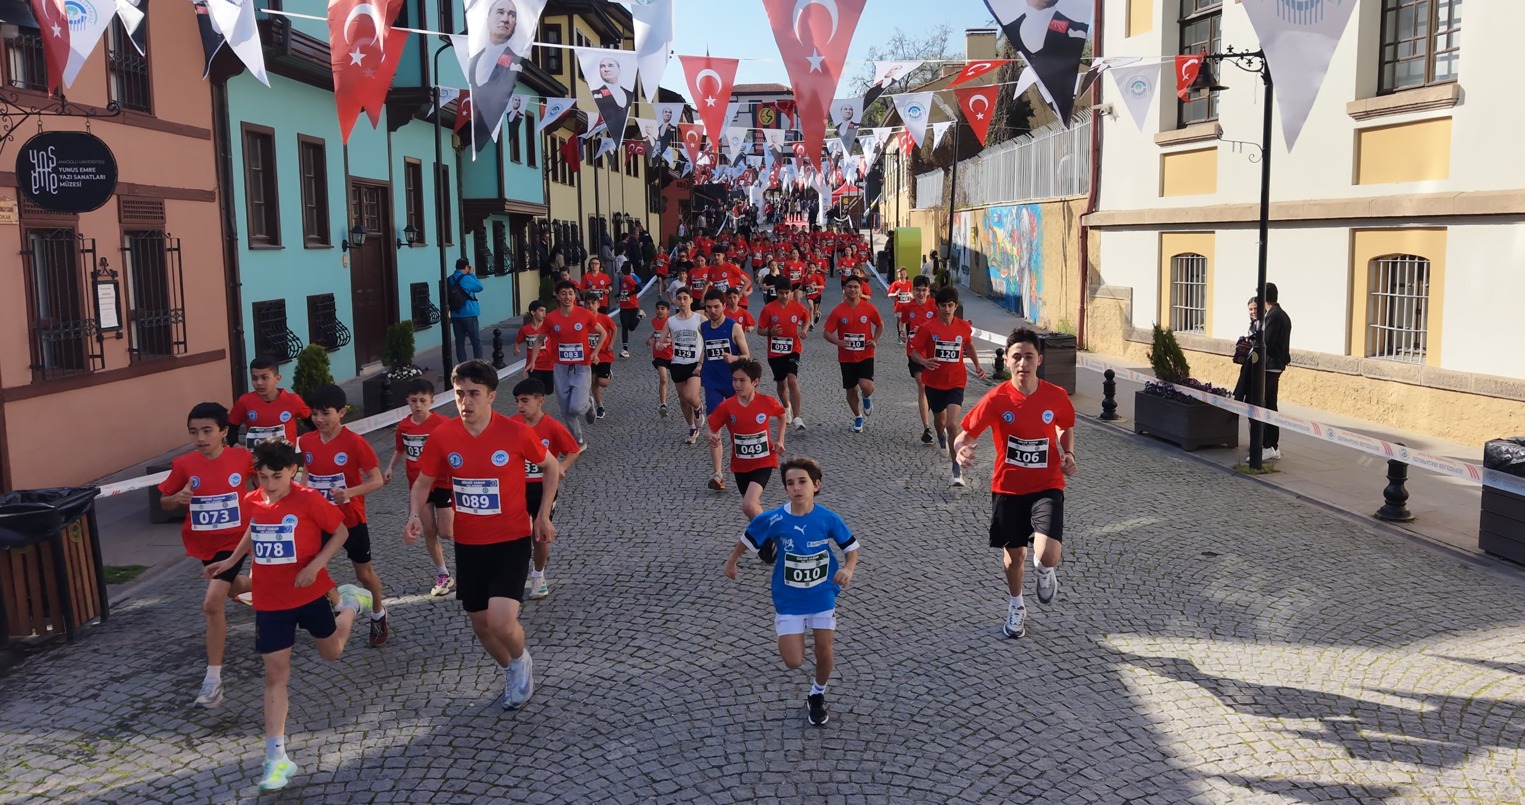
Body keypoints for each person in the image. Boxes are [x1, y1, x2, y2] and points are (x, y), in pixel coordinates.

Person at [204, 439, 371, 792]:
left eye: (276, 477)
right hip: (270, 601)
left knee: (332, 652)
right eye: (262, 477)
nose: (269, 484)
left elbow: (340, 531)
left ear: (293, 471)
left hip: (309, 593)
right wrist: (231, 561)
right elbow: (253, 529)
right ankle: (276, 758)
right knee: (275, 674)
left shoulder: (309, 499)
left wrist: (316, 565)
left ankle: (351, 604)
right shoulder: (252, 501)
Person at [406, 360, 559, 711]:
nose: (466, 402)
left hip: (511, 540)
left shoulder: (515, 433)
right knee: (481, 625)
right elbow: (422, 483)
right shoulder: (443, 436)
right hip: (469, 544)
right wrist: (414, 514)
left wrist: (542, 515)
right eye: (460, 394)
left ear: (491, 396)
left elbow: (551, 467)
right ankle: (510, 669)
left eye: (474, 393)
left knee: (502, 622)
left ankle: (520, 660)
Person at [953, 327, 1077, 640]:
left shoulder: (1056, 396)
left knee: (1048, 554)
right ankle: (1016, 605)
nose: (1023, 363)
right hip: (1008, 487)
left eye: (1029, 357)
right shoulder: (996, 399)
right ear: (1007, 360)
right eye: (1017, 357)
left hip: (1047, 483)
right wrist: (960, 451)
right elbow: (963, 436)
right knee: (1015, 556)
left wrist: (1068, 453)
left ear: (1040, 360)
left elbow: (1064, 426)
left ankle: (1045, 570)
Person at [723, 456, 859, 727]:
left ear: (816, 485)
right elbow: (748, 537)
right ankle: (792, 634)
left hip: (822, 594)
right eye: (790, 483)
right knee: (793, 661)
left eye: (802, 482)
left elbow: (851, 548)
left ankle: (817, 695)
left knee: (824, 650)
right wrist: (732, 562)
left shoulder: (828, 518)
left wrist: (848, 569)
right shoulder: (775, 518)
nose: (796, 488)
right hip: (789, 599)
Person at [157, 402, 254, 709]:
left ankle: (213, 683)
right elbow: (164, 501)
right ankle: (262, 584)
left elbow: (269, 478)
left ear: (224, 431)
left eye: (207, 431)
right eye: (194, 432)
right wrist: (177, 497)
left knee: (212, 603)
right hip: (204, 544)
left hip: (236, 541)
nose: (200, 438)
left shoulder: (242, 458)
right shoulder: (184, 464)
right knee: (232, 588)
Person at [298, 384, 390, 646]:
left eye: (325, 413)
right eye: (314, 413)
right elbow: (308, 471)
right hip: (318, 520)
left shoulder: (355, 442)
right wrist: (302, 495)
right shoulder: (306, 441)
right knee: (313, 567)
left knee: (364, 573)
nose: (319, 419)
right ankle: (340, 605)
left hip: (350, 519)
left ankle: (378, 612)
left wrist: (349, 492)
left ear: (342, 412)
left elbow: (376, 480)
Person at [382, 378, 456, 598]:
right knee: (429, 530)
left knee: (447, 532)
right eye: (414, 400)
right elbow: (399, 449)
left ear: (432, 401)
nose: (418, 405)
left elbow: (456, 449)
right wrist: (390, 467)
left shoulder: (442, 424)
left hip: (442, 482)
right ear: (407, 401)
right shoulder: (404, 426)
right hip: (418, 485)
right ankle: (443, 574)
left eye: (423, 400)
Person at [510, 379, 580, 601]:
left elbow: (574, 450)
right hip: (516, 488)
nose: (520, 406)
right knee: (518, 534)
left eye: (525, 401)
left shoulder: (552, 427)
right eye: (517, 401)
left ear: (540, 400)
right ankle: (514, 576)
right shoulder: (512, 424)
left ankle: (538, 575)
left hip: (543, 488)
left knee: (539, 536)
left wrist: (561, 467)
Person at [911, 286, 987, 484]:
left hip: (956, 381)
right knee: (940, 422)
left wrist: (978, 366)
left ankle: (956, 469)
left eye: (950, 305)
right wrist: (924, 361)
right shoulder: (928, 328)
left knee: (952, 424)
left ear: (955, 306)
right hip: (934, 382)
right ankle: (939, 435)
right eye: (943, 305)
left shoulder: (963, 326)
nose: (946, 309)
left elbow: (969, 345)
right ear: (937, 306)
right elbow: (914, 353)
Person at [530, 280, 607, 446]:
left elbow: (603, 333)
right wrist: (532, 362)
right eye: (563, 293)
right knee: (566, 410)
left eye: (570, 293)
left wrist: (595, 352)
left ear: (575, 295)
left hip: (582, 367)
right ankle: (578, 440)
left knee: (576, 408)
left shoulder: (585, 314)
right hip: (561, 369)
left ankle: (589, 403)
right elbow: (539, 340)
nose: (567, 297)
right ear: (557, 296)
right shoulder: (551, 318)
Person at [707, 359, 787, 519]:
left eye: (742, 380)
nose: (737, 385)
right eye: (734, 380)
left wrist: (780, 440)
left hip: (764, 461)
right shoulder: (727, 406)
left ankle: (770, 532)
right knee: (751, 508)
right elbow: (712, 427)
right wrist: (711, 435)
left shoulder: (766, 402)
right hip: (740, 465)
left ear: (755, 382)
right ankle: (762, 535)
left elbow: (782, 415)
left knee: (748, 504)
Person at [699, 289, 751, 488]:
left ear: (724, 306)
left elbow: (747, 355)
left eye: (716, 307)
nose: (712, 311)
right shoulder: (703, 328)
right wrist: (699, 365)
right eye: (709, 307)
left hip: (733, 384)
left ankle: (748, 465)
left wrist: (734, 358)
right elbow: (705, 348)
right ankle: (718, 474)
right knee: (714, 429)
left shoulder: (733, 327)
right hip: (712, 383)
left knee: (739, 428)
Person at [822, 276, 883, 433]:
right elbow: (826, 333)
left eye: (856, 287)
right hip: (846, 357)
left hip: (866, 354)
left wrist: (875, 340)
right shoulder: (838, 310)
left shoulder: (869, 308)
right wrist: (839, 342)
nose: (853, 290)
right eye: (849, 287)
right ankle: (858, 416)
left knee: (866, 386)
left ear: (861, 289)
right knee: (850, 391)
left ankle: (866, 397)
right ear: (844, 289)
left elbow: (880, 325)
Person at [467, 0, 528, 149]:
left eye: (511, 15)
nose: (505, 19)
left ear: (515, 23)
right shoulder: (473, 56)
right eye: (500, 12)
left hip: (483, 128)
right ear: (488, 20)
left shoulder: (516, 59)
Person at [760, 274, 810, 430]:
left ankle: (797, 418)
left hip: (793, 348)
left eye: (787, 293)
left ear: (791, 292)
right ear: (776, 292)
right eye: (781, 293)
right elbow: (760, 330)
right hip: (775, 352)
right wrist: (770, 332)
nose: (784, 296)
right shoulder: (768, 309)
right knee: (781, 384)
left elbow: (807, 318)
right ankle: (786, 406)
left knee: (792, 380)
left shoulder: (797, 307)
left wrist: (804, 330)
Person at [229, 357, 310, 448]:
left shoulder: (293, 400)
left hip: (286, 456)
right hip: (255, 455)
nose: (259, 383)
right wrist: (236, 445)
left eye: (264, 378)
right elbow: (231, 428)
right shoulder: (244, 401)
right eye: (254, 378)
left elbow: (312, 422)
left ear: (277, 378)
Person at [660, 287, 705, 444]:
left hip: (695, 363)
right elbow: (662, 339)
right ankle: (692, 427)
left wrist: (702, 361)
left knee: (690, 395)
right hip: (677, 363)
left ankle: (698, 408)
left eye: (685, 298)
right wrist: (660, 344)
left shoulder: (700, 319)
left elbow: (710, 337)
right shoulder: (671, 321)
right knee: (682, 399)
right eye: (679, 298)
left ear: (691, 300)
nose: (682, 301)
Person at [899, 275, 938, 444]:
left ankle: (934, 415)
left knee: (933, 388)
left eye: (924, 290)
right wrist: (902, 331)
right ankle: (927, 428)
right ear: (913, 291)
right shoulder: (908, 307)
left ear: (928, 291)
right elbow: (902, 322)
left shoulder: (934, 306)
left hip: (932, 352)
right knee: (922, 385)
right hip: (914, 352)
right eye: (918, 290)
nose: (921, 293)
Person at [1257, 282, 1292, 462]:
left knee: (1263, 404)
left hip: (1271, 365)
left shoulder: (1274, 315)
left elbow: (1267, 342)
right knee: (1270, 404)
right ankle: (1273, 446)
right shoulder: (1280, 314)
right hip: (1275, 365)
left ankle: (1268, 445)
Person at [585, 292, 618, 420]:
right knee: (593, 382)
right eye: (588, 303)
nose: (590, 306)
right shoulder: (583, 320)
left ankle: (608, 374)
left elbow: (614, 329)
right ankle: (600, 407)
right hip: (590, 356)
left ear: (598, 305)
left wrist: (611, 343)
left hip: (604, 354)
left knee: (602, 382)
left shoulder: (604, 318)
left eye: (593, 303)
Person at [449, 257, 486, 363]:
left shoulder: (450, 279)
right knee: (475, 341)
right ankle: (479, 363)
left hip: (456, 314)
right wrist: (472, 274)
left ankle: (462, 364)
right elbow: (479, 287)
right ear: (466, 267)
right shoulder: (467, 278)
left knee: (459, 342)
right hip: (469, 313)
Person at [515, 300, 556, 394]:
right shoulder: (525, 329)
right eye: (541, 310)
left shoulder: (549, 328)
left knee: (548, 390)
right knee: (536, 390)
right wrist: (516, 347)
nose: (544, 313)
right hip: (533, 365)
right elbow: (518, 340)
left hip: (548, 365)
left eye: (545, 311)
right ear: (533, 312)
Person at [646, 299, 675, 418]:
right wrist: (651, 338)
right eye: (658, 308)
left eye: (662, 309)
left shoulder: (672, 322)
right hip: (659, 354)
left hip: (672, 355)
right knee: (663, 379)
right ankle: (663, 404)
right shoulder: (654, 321)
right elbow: (657, 332)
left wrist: (668, 342)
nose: (660, 311)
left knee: (679, 381)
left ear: (668, 311)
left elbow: (676, 337)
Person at [1231, 296, 1261, 404]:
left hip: (1255, 364)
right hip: (1248, 362)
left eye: (1255, 308)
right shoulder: (1253, 324)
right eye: (1250, 309)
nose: (1253, 312)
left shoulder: (1262, 324)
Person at [616, 262, 644, 358]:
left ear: (623, 272)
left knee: (631, 327)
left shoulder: (629, 279)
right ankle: (625, 349)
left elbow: (638, 288)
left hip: (632, 306)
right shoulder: (623, 280)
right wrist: (618, 296)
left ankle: (640, 316)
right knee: (624, 327)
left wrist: (629, 295)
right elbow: (623, 292)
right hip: (623, 307)